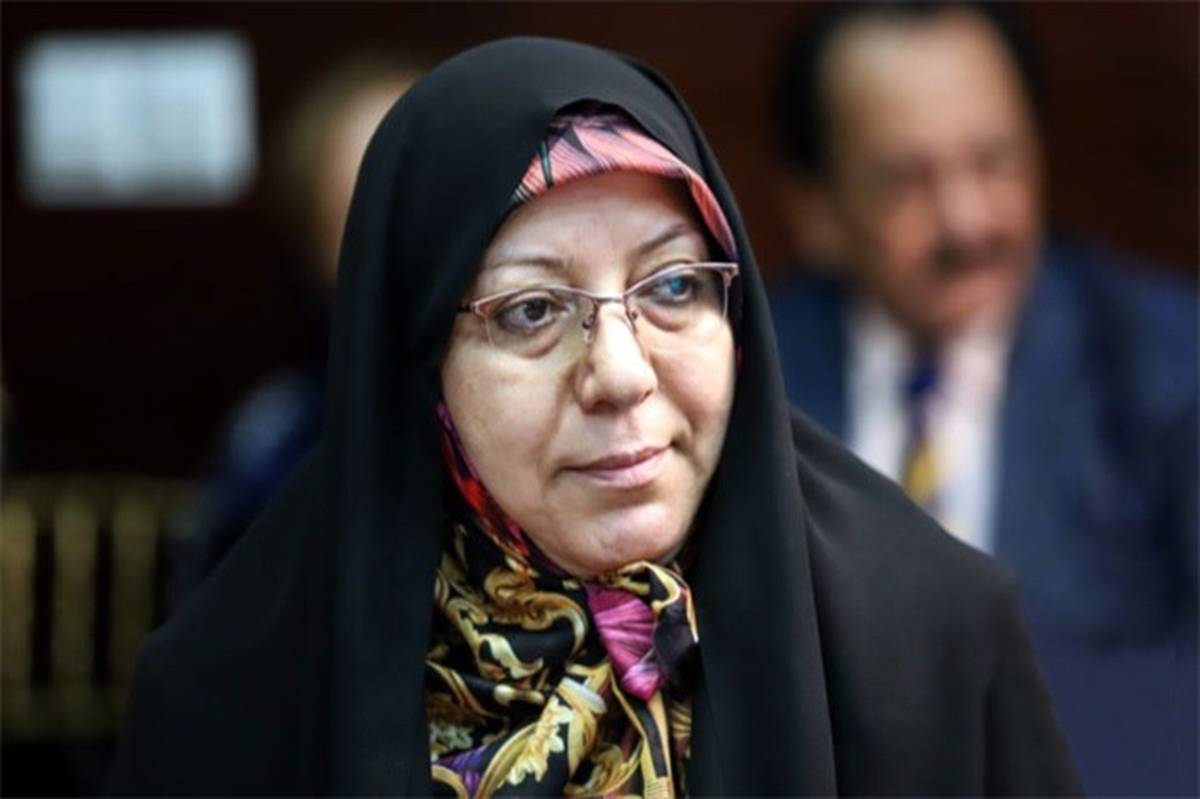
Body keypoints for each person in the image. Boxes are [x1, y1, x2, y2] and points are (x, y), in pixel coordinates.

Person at [109, 37, 1080, 795]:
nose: (620, 374)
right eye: (531, 310)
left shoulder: (933, 642)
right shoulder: (231, 700)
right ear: (417, 363)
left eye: (673, 286)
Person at [769, 4, 1197, 795]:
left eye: (995, 161)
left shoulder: (1170, 371)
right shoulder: (742, 378)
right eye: (906, 179)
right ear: (817, 210)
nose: (966, 221)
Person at [172, 58, 422, 605]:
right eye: (363, 221)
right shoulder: (277, 444)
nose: (408, 245)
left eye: (430, 204)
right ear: (318, 253)